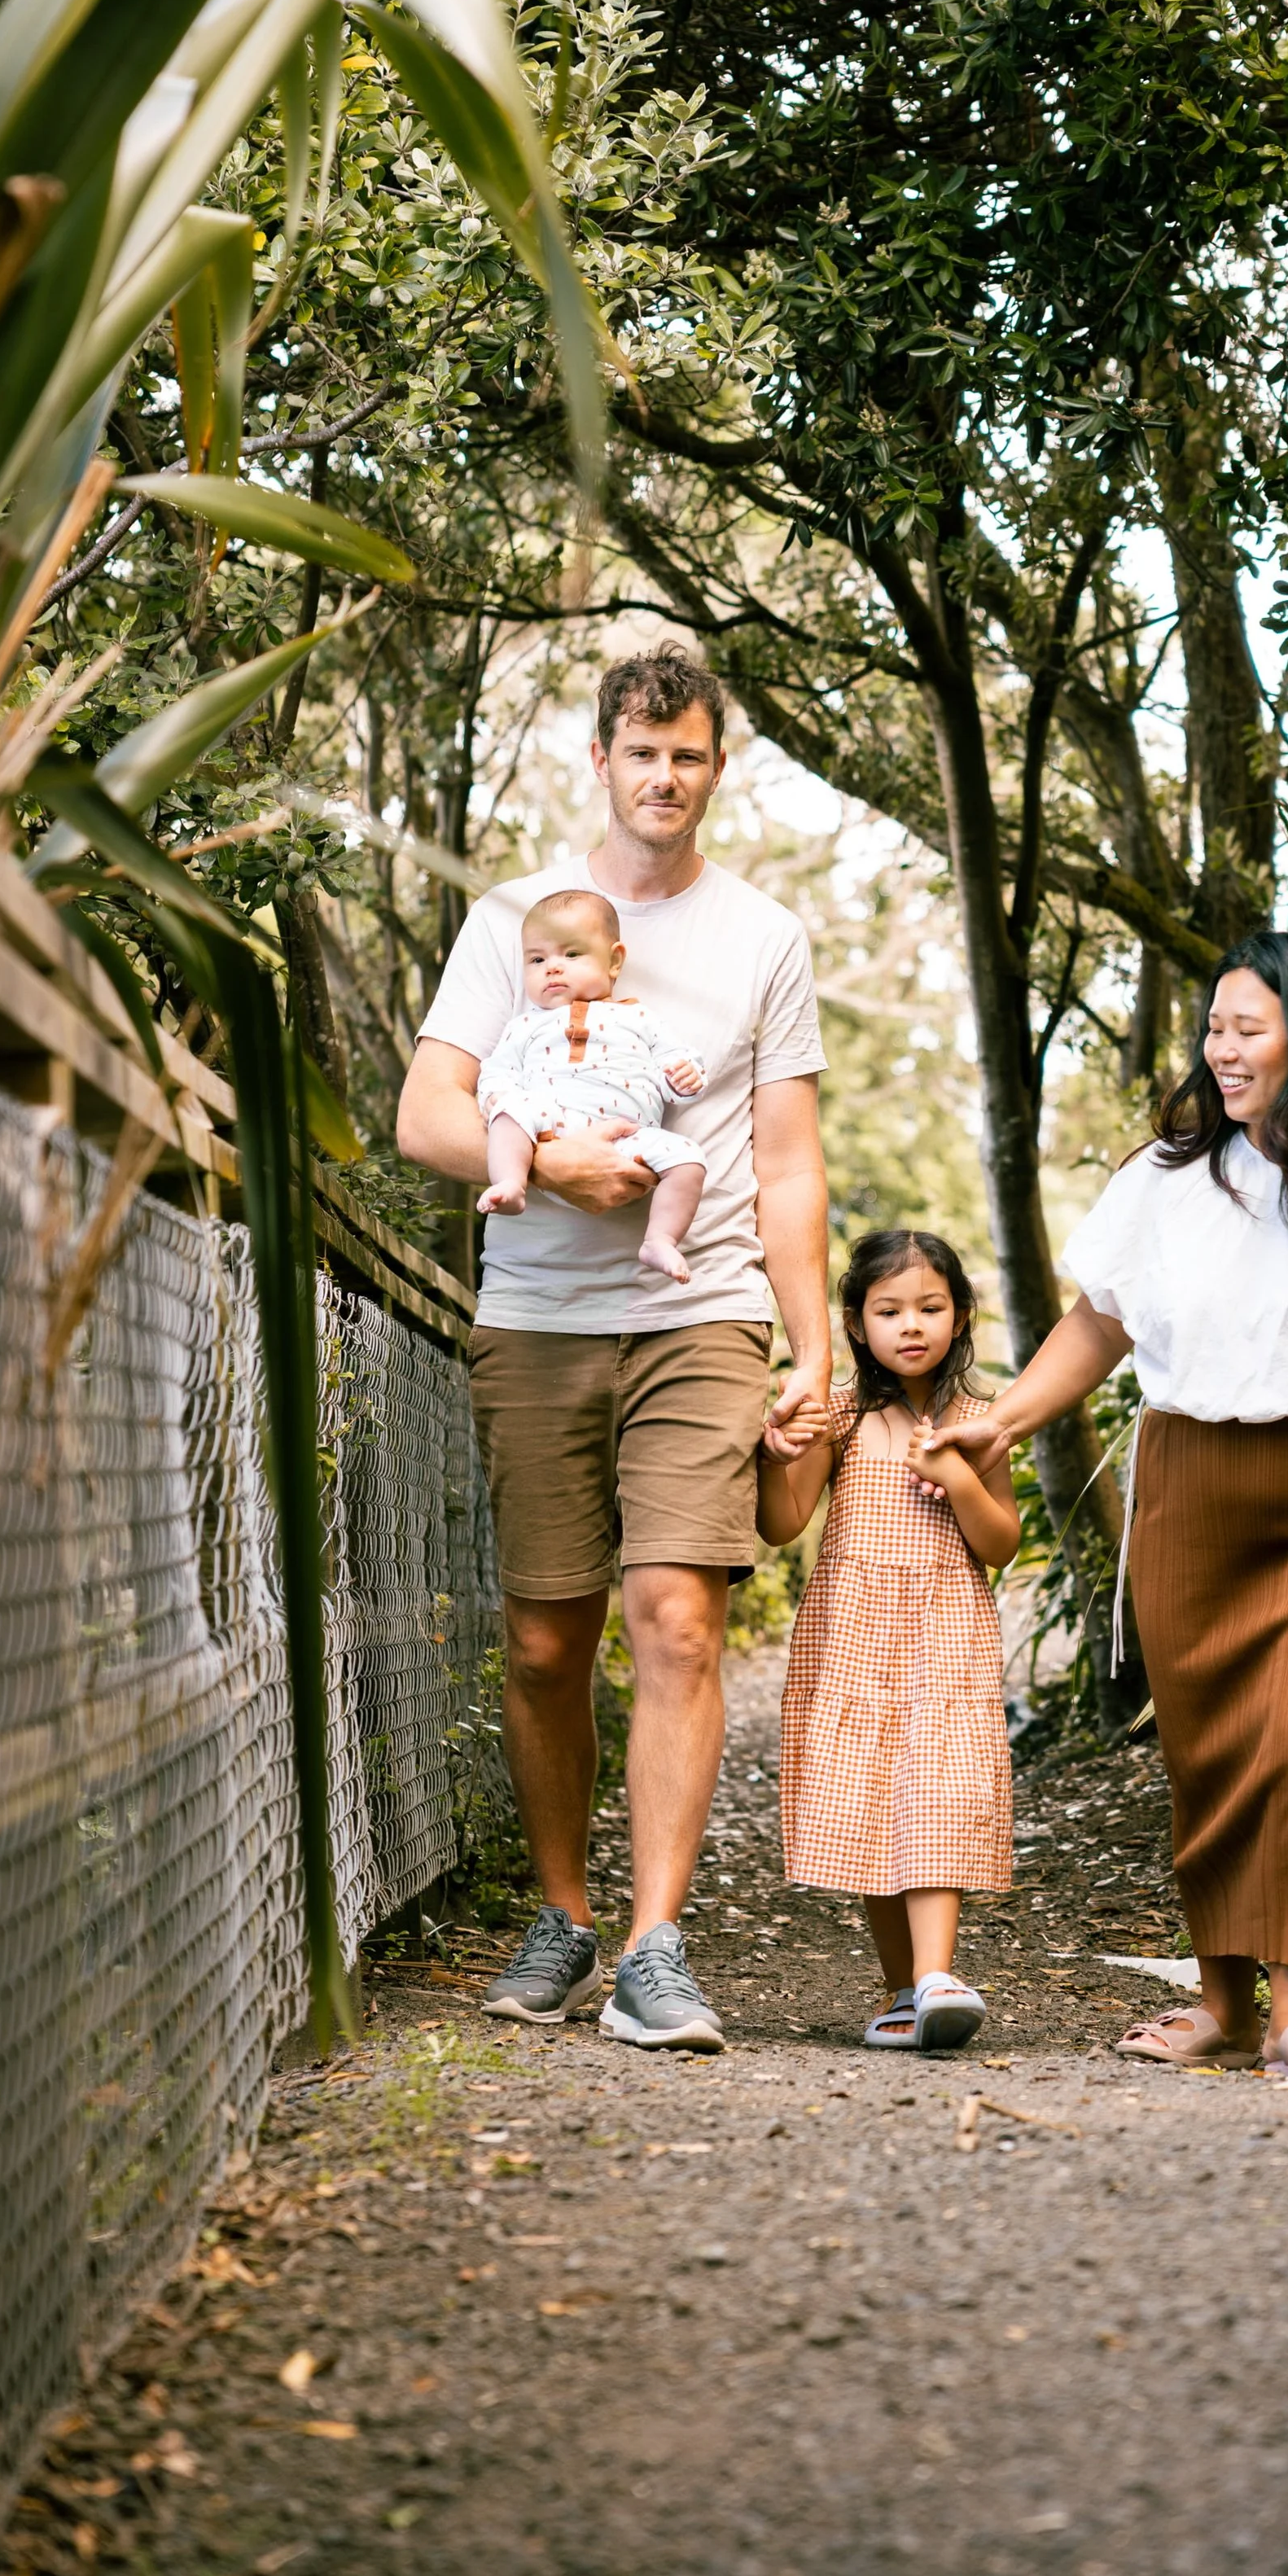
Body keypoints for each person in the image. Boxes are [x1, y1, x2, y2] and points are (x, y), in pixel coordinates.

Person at [936, 929, 1288, 2083]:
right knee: (1211, 1754)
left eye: (1249, 1029)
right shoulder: (1167, 1183)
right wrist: (1009, 1417)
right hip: (1189, 1494)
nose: (1220, 1050)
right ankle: (1221, 2007)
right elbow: (1100, 1322)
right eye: (1215, 1028)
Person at [396, 645, 830, 2053]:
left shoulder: (762, 936)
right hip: (535, 1318)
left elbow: (788, 1159)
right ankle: (566, 1911)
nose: (665, 776)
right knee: (542, 1638)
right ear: (602, 758)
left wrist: (815, 1343)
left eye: (690, 754)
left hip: (700, 1308)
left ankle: (655, 1941)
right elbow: (427, 1113)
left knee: (679, 1617)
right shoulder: (511, 920)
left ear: (719, 764)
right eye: (642, 752)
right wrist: (561, 1162)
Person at [760, 1230, 1019, 2053]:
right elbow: (780, 1522)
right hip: (854, 1632)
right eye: (889, 1310)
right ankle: (902, 1988)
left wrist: (959, 1479)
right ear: (855, 1322)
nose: (911, 1325)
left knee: (936, 1790)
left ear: (961, 1315)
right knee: (873, 1801)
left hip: (945, 1627)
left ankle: (938, 1974)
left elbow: (1002, 1542)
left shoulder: (982, 1422)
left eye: (930, 1307)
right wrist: (775, 1452)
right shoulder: (838, 1415)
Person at [475, 887, 708, 1286]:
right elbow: (495, 1072)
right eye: (537, 958)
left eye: (571, 954)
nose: (552, 967)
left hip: (629, 1137)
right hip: (548, 1122)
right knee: (510, 1112)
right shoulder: (525, 1025)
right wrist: (496, 1096)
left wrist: (684, 1075)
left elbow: (677, 1060)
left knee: (689, 1159)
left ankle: (660, 1238)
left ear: (614, 961)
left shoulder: (640, 1018)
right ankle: (511, 1182)